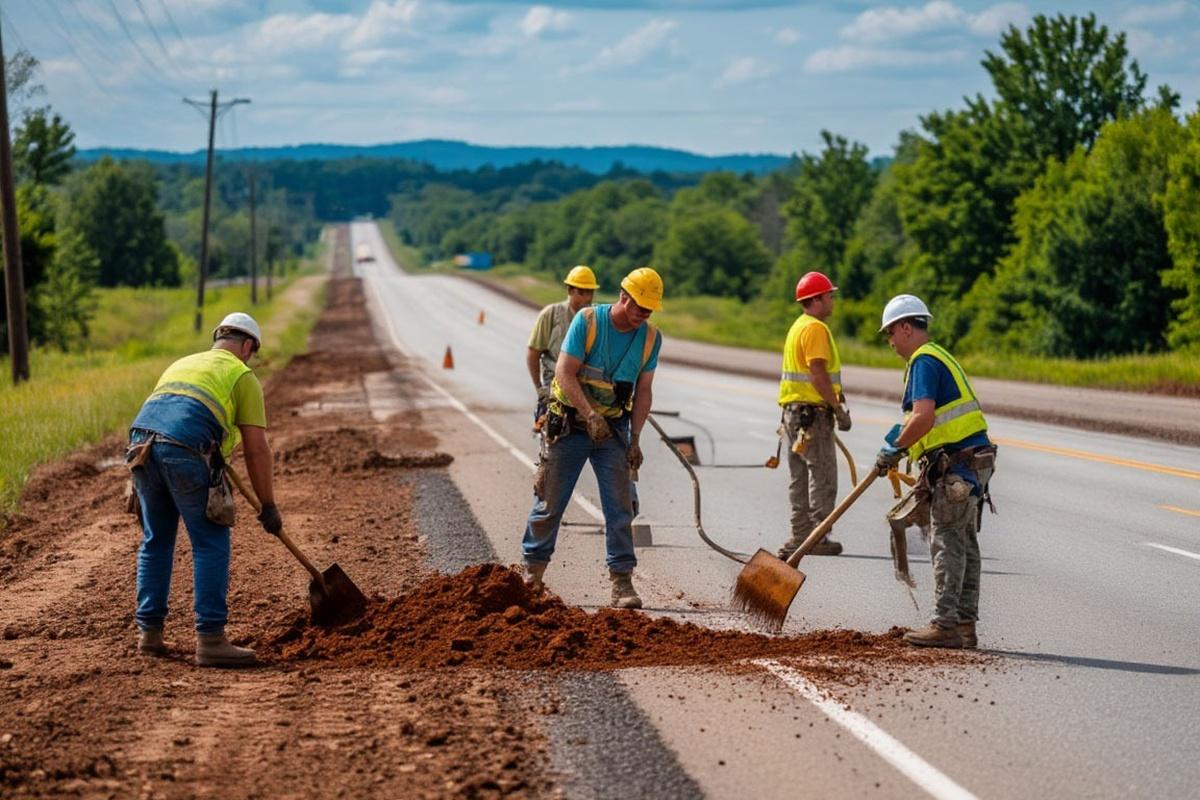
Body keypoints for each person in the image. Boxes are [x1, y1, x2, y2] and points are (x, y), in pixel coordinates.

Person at [126, 312, 282, 667]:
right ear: (247, 346)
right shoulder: (241, 375)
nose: (250, 359)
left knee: (157, 539)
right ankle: (210, 638)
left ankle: (149, 634)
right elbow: (257, 449)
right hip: (184, 448)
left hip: (141, 446)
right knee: (210, 540)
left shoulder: (183, 363)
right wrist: (268, 505)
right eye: (252, 354)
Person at [522, 267, 664, 609]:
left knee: (621, 507)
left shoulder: (650, 338)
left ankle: (622, 583)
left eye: (648, 311)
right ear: (623, 296)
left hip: (613, 429)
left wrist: (635, 439)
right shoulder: (588, 322)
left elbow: (644, 391)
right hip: (570, 424)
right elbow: (564, 372)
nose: (641, 316)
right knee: (550, 502)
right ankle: (533, 575)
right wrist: (589, 413)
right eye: (637, 308)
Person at [874, 295, 996, 649]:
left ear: (906, 327)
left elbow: (923, 416)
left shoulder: (923, 361)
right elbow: (924, 419)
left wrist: (894, 449)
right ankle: (964, 625)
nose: (890, 341)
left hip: (957, 466)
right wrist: (899, 442)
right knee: (965, 544)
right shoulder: (941, 355)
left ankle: (945, 625)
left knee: (947, 542)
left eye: (891, 333)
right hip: (975, 462)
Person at [775, 271, 853, 559]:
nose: (832, 300)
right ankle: (817, 535)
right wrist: (837, 408)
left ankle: (799, 534)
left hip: (792, 413)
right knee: (822, 474)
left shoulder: (798, 326)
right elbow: (817, 372)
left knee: (799, 475)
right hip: (812, 415)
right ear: (817, 299)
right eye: (829, 295)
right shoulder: (816, 329)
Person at [526, 266, 598, 421]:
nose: (587, 298)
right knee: (554, 426)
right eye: (581, 292)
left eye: (590, 292)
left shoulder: (597, 319)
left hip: (587, 385)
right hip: (555, 382)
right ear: (570, 290)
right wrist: (539, 388)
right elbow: (533, 352)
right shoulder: (551, 315)